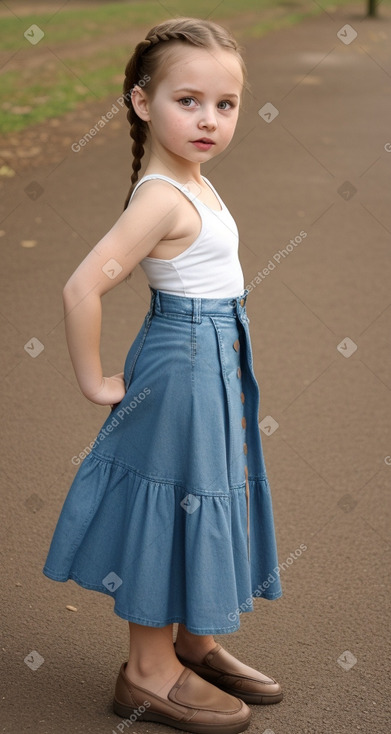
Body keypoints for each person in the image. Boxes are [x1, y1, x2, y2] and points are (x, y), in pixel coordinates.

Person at [42, 17, 283, 734]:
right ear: (143, 102)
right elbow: (81, 288)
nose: (209, 119)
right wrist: (95, 381)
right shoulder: (160, 197)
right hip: (179, 366)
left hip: (213, 358)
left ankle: (193, 639)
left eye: (225, 104)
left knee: (206, 488)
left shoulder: (191, 180)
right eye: (188, 101)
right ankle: (146, 672)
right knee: (175, 496)